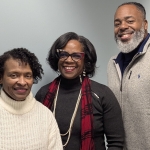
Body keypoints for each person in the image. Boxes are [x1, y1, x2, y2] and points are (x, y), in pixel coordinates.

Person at [35, 32, 124, 150]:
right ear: (57, 58)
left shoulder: (102, 94)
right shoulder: (43, 94)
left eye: (76, 55)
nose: (69, 60)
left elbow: (116, 143)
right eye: (63, 54)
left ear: (85, 60)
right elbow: (34, 137)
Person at [0, 48, 63, 150]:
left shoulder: (45, 115)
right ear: (1, 78)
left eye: (28, 76)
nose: (22, 82)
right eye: (14, 75)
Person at [107, 2, 150, 150]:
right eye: (117, 23)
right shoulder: (112, 64)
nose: (122, 27)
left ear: (145, 24)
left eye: (130, 21)